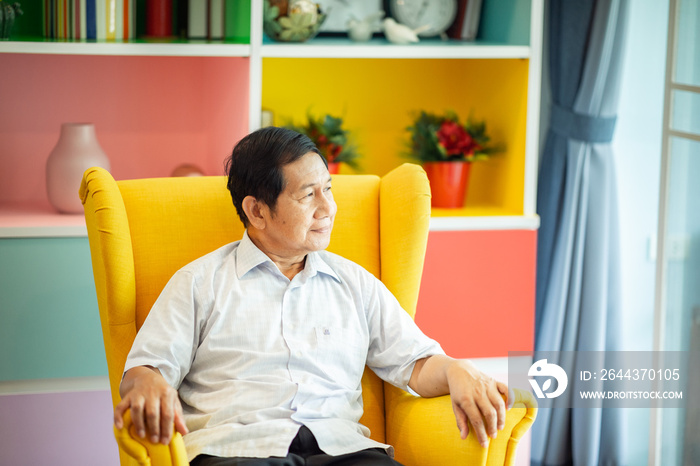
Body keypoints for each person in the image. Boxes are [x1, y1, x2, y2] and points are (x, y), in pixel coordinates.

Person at [114, 127, 514, 466]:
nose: (329, 208)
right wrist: (146, 383)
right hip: (237, 450)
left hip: (345, 450)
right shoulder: (199, 282)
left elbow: (415, 363)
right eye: (309, 196)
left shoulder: (355, 283)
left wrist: (457, 370)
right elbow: (145, 371)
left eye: (328, 189)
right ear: (257, 211)